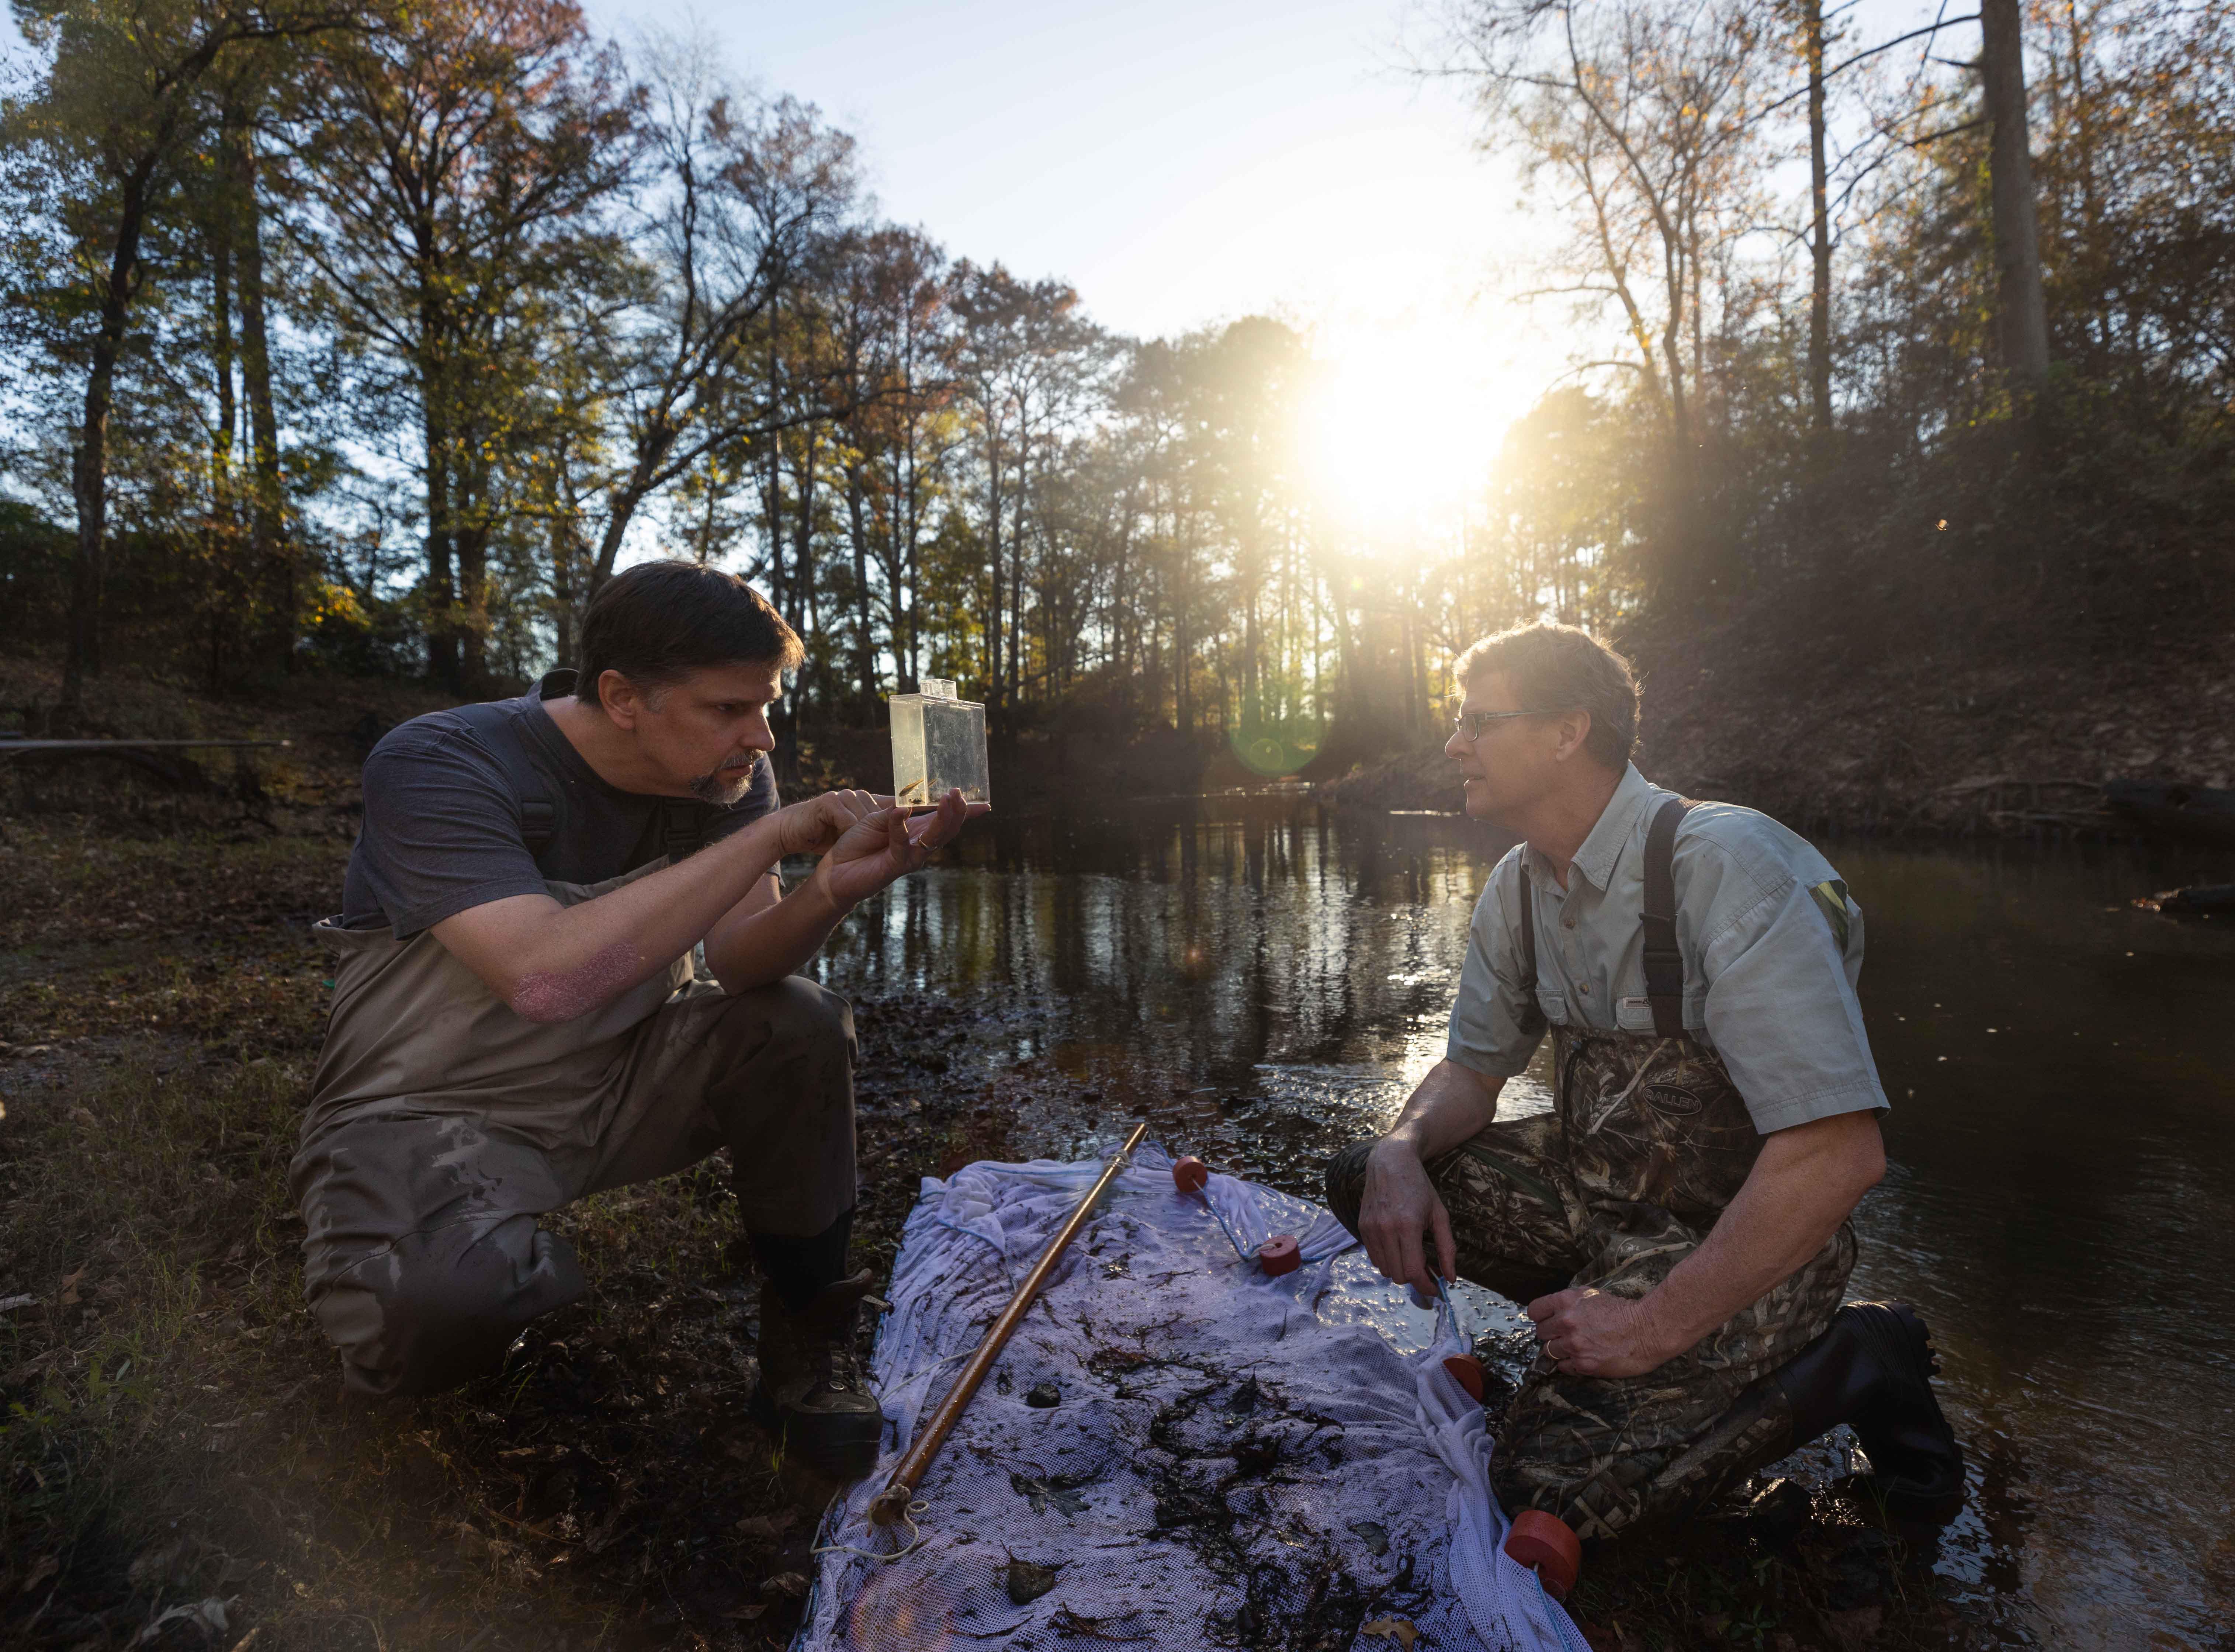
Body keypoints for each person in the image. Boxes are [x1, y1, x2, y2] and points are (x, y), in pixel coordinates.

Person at [292, 560, 983, 1478]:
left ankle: (803, 1352)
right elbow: (541, 981)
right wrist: (769, 839)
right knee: (430, 1319)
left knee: (799, 1020)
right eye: (730, 709)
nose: (762, 735)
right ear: (621, 697)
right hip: (426, 1106)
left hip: (619, 1081)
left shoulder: (729, 779)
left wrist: (828, 892)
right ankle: (466, 1265)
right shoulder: (441, 761)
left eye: (768, 704)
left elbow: (739, 961)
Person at [1324, 621, 1962, 1543]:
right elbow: (1470, 1069)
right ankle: (1613, 1328)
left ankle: (1859, 1354)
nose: (1454, 743)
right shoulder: (1515, 885)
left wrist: (1652, 1326)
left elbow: (1839, 1157)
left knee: (1546, 1492)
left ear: (1565, 731)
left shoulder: (1729, 866)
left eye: (1478, 720)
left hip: (1740, 1228)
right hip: (1600, 1198)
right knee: (1366, 1177)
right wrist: (1399, 1145)